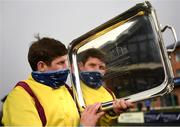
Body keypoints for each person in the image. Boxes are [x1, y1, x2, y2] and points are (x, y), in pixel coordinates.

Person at [1, 37, 104, 126]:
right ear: (41, 66)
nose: (67, 67)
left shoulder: (67, 89)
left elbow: (89, 118)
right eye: (60, 63)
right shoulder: (21, 96)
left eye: (66, 61)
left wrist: (112, 112)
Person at [78, 48, 133, 126]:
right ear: (81, 66)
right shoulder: (73, 92)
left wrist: (113, 113)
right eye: (92, 65)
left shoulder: (110, 93)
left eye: (101, 67)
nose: (97, 70)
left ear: (105, 70)